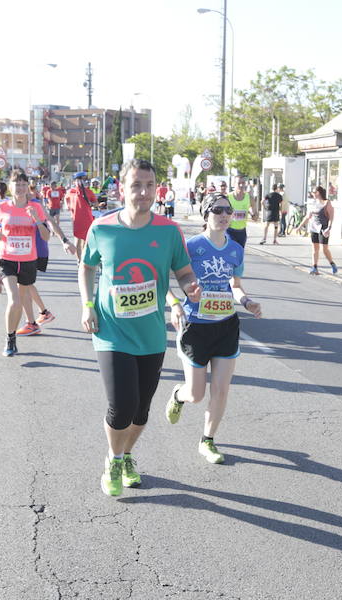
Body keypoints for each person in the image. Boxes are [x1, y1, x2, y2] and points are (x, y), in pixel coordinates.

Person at [79, 158, 201, 497]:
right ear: (122, 188)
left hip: (150, 334)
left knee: (141, 410)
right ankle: (114, 460)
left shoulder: (168, 230)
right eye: (136, 185)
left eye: (149, 185)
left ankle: (127, 454)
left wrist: (190, 286)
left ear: (156, 188)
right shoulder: (102, 228)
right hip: (111, 332)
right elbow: (86, 268)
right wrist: (87, 305)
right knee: (121, 405)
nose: (143, 192)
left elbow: (183, 271)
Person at [165, 192, 262, 464]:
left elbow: (235, 285)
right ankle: (177, 394)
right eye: (217, 210)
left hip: (226, 326)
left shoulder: (235, 250)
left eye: (228, 211)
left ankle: (207, 440)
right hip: (196, 326)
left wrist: (247, 301)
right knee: (196, 394)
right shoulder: (191, 246)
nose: (224, 216)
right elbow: (166, 277)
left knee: (221, 389)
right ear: (205, 215)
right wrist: (177, 302)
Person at [0, 171, 51, 357]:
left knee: (22, 298)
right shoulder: (3, 207)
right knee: (14, 301)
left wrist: (37, 220)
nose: (21, 187)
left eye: (24, 184)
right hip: (7, 258)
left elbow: (46, 236)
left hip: (28, 260)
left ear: (27, 186)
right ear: (10, 186)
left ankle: (15, 334)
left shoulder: (35, 207)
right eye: (17, 184)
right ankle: (9, 339)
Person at [13, 181, 77, 334]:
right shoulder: (14, 206)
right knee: (25, 285)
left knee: (23, 285)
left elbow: (51, 221)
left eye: (25, 188)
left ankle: (33, 322)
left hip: (36, 251)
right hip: (25, 252)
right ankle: (43, 313)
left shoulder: (35, 205)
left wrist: (65, 240)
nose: (22, 191)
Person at [299, 186, 337, 275]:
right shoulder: (313, 203)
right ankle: (314, 267)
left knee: (325, 249)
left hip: (323, 228)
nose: (312, 193)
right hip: (313, 228)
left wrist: (329, 227)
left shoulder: (327, 203)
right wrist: (300, 226)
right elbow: (308, 216)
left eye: (313, 192)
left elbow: (331, 216)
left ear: (318, 192)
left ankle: (332, 263)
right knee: (315, 249)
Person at [66, 171, 97, 258]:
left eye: (84, 179)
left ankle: (84, 260)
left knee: (86, 242)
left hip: (88, 219)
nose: (82, 181)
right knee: (77, 241)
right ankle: (79, 261)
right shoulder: (71, 191)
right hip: (76, 220)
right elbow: (66, 198)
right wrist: (69, 207)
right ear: (75, 181)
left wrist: (92, 204)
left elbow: (95, 203)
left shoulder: (89, 192)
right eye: (80, 179)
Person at [228, 177, 252, 248]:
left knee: (239, 254)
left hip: (242, 231)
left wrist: (254, 215)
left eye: (243, 183)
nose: (241, 185)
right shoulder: (228, 197)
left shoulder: (249, 197)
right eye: (239, 183)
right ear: (234, 184)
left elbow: (255, 215)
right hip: (229, 230)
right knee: (231, 252)